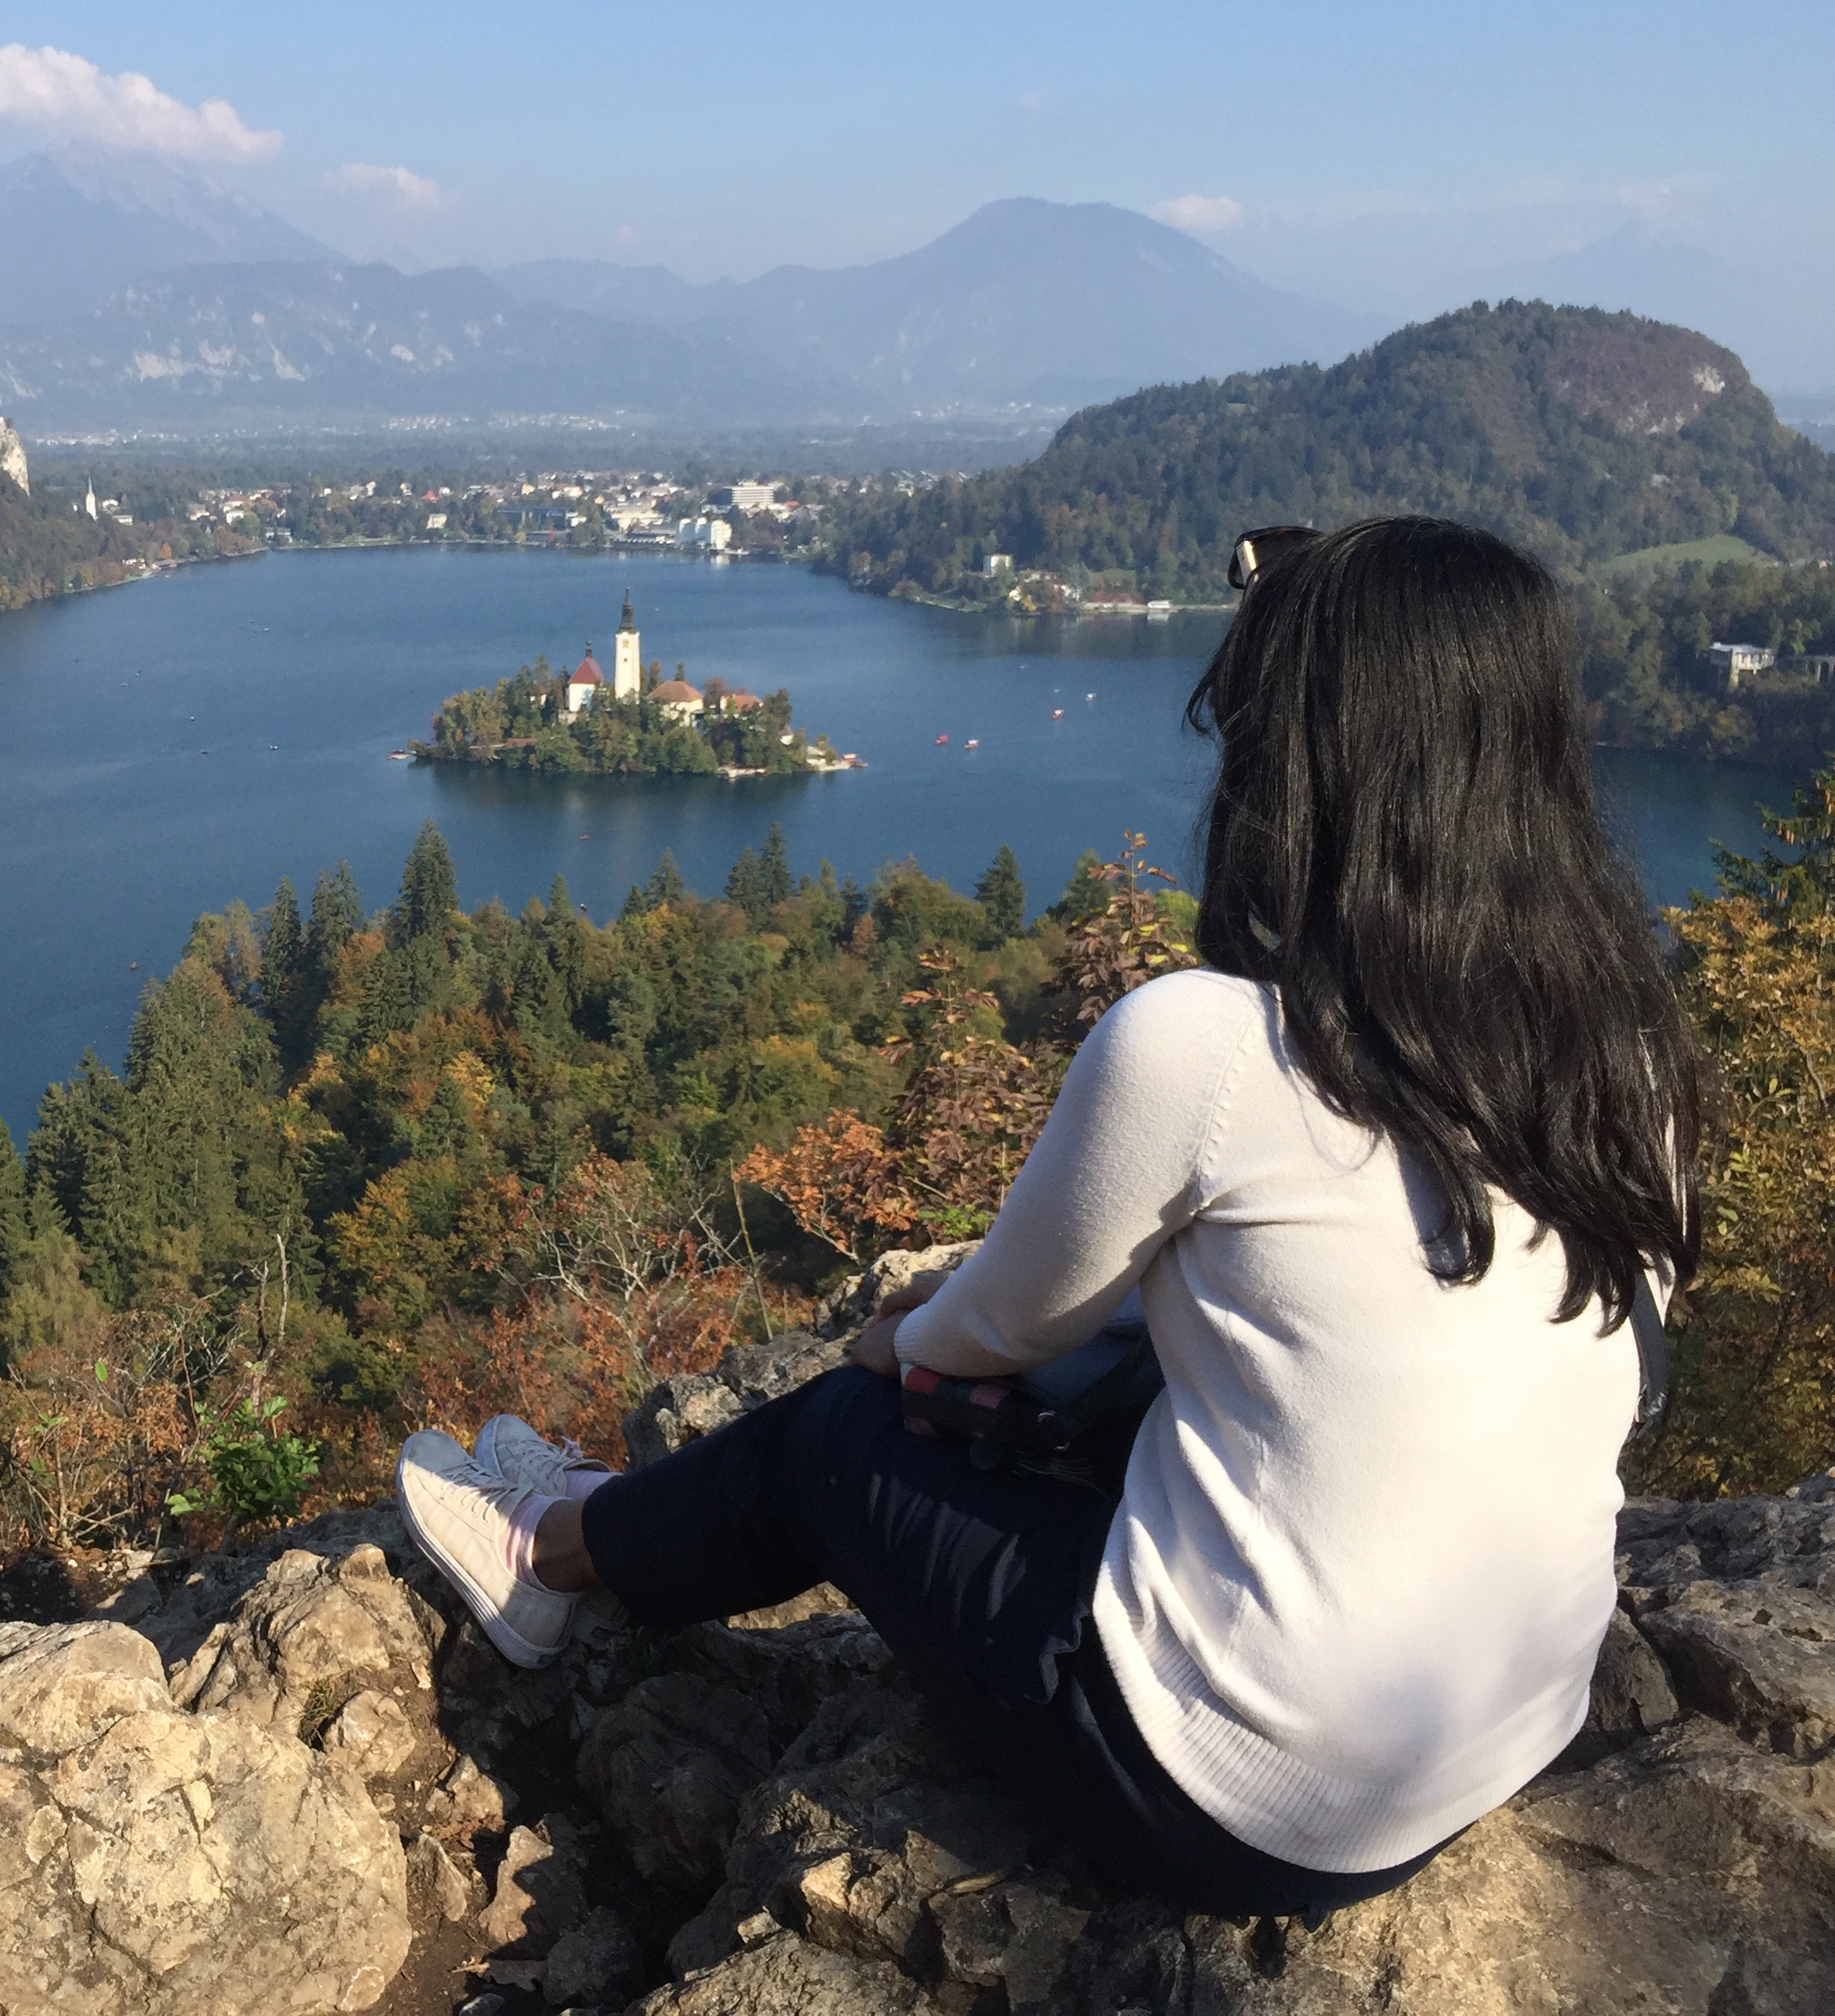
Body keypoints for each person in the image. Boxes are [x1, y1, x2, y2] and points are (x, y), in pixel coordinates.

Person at [396, 516, 1700, 1919]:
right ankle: (603, 1519)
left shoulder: (1212, 1045)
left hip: (1238, 1801)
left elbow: (994, 1331)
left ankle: (553, 1557)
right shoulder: (1623, 1057)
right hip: (1506, 1721)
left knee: (832, 1440)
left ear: (1307, 763)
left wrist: (890, 1344)